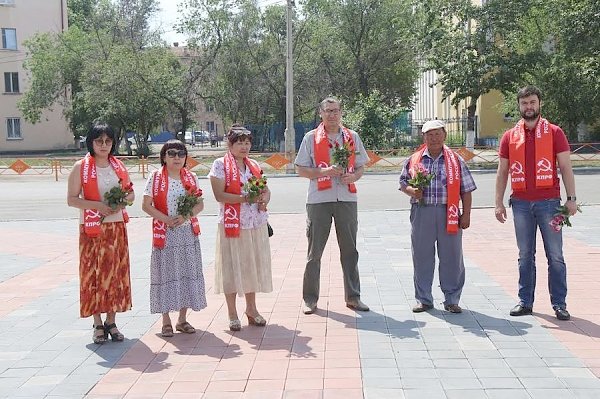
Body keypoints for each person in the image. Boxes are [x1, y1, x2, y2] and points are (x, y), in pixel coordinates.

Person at [495, 85, 577, 321]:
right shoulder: (510, 136)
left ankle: (559, 304)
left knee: (556, 255)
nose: (528, 107)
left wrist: (571, 199)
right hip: (520, 204)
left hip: (550, 204)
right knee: (524, 255)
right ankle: (525, 301)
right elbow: (502, 172)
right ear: (519, 106)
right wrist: (498, 203)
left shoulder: (554, 132)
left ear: (539, 104)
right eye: (524, 103)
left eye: (532, 102)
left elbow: (566, 167)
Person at [294, 96, 370, 314]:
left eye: (335, 111)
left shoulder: (352, 137)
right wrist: (324, 172)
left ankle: (353, 297)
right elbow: (300, 169)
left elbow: (361, 166)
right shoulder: (310, 138)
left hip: (346, 198)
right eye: (327, 111)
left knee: (350, 250)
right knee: (314, 252)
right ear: (320, 113)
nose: (332, 115)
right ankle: (310, 299)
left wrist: (354, 177)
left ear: (341, 113)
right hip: (319, 200)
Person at [399, 120, 476, 314]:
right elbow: (402, 183)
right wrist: (411, 191)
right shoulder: (415, 159)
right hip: (422, 212)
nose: (433, 138)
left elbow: (466, 190)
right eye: (429, 135)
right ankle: (424, 299)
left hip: (448, 212)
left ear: (445, 136)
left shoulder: (455, 160)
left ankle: (451, 299)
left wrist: (466, 215)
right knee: (422, 256)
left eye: (437, 134)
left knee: (452, 257)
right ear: (423, 137)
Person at [67, 123, 134, 344]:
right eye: (99, 141)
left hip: (116, 228)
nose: (104, 145)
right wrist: (97, 205)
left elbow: (131, 194)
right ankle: (97, 321)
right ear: (91, 142)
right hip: (92, 229)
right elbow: (72, 199)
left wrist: (121, 202)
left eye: (108, 141)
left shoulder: (119, 166)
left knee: (115, 273)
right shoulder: (81, 167)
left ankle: (111, 321)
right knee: (94, 273)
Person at [208, 125, 272, 331]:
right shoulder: (220, 165)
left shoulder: (253, 164)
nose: (244, 147)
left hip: (254, 223)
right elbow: (220, 196)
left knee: (250, 266)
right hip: (232, 223)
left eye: (247, 142)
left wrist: (263, 199)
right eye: (239, 142)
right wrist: (245, 198)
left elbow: (265, 189)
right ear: (230, 144)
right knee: (231, 266)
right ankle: (232, 312)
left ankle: (251, 309)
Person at [142, 140, 207, 337]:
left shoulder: (192, 177)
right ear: (164, 157)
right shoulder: (155, 177)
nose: (177, 157)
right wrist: (167, 219)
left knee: (187, 274)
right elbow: (146, 205)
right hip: (166, 234)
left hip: (187, 234)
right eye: (171, 153)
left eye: (181, 153)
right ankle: (166, 321)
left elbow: (199, 205)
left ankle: (182, 319)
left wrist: (185, 216)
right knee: (165, 276)